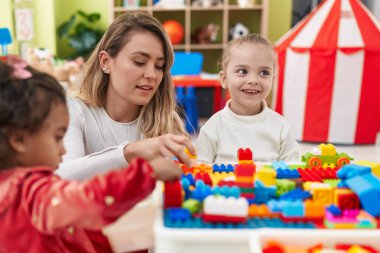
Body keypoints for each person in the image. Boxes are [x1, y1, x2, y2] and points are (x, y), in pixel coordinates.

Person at [0, 59, 182, 252]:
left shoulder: (14, 188)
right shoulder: (30, 192)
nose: (63, 150)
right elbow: (87, 200)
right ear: (18, 139)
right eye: (57, 138)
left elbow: (73, 226)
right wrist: (146, 173)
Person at [56, 12, 196, 180]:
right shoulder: (74, 110)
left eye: (160, 66)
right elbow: (62, 176)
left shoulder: (164, 120)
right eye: (139, 62)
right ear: (105, 62)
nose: (152, 74)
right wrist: (128, 153)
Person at [196, 34, 299, 164]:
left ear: (273, 79)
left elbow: (294, 169)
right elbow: (200, 169)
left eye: (264, 73)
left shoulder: (281, 127)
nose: (253, 80)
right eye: (242, 71)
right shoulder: (213, 127)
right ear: (224, 79)